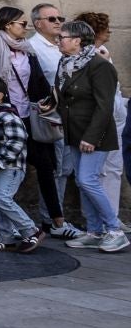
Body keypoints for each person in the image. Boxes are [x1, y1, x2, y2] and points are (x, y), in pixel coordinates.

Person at [0, 5, 64, 240]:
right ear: (7, 25)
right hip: (2, 120)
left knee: (45, 164)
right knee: (1, 172)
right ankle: (8, 229)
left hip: (27, 117)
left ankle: (56, 220)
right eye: (22, 23)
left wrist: (45, 101)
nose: (26, 27)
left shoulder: (27, 49)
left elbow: (38, 80)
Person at [55, 18, 125, 252]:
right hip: (74, 132)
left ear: (77, 40)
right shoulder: (66, 63)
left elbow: (104, 106)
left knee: (88, 179)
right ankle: (94, 231)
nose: (59, 41)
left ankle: (114, 229)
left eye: (62, 37)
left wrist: (92, 137)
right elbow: (64, 97)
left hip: (96, 135)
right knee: (83, 181)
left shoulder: (99, 65)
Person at [26, 2, 81, 239]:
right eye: (52, 19)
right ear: (38, 23)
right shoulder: (32, 47)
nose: (58, 22)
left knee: (65, 167)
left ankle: (56, 217)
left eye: (60, 18)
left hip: (70, 116)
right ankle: (52, 220)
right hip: (49, 117)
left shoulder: (62, 45)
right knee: (55, 167)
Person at [0, 77, 38, 252]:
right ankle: (5, 237)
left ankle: (30, 230)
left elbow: (17, 141)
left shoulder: (7, 116)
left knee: (2, 198)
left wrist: (1, 161)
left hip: (9, 167)